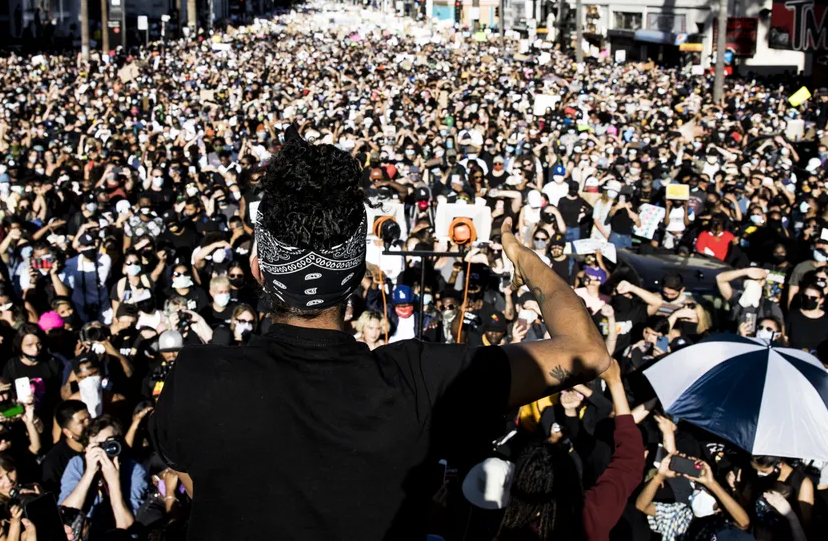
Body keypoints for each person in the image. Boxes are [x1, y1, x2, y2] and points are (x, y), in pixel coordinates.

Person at [149, 126, 610, 540]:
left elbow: (190, 475)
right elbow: (588, 351)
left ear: (258, 269)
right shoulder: (421, 380)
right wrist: (520, 254)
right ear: (355, 277)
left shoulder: (197, 376)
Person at [496, 360, 643, 541]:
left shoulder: (509, 528)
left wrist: (577, 390)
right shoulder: (588, 517)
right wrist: (615, 382)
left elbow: (605, 410)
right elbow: (629, 461)